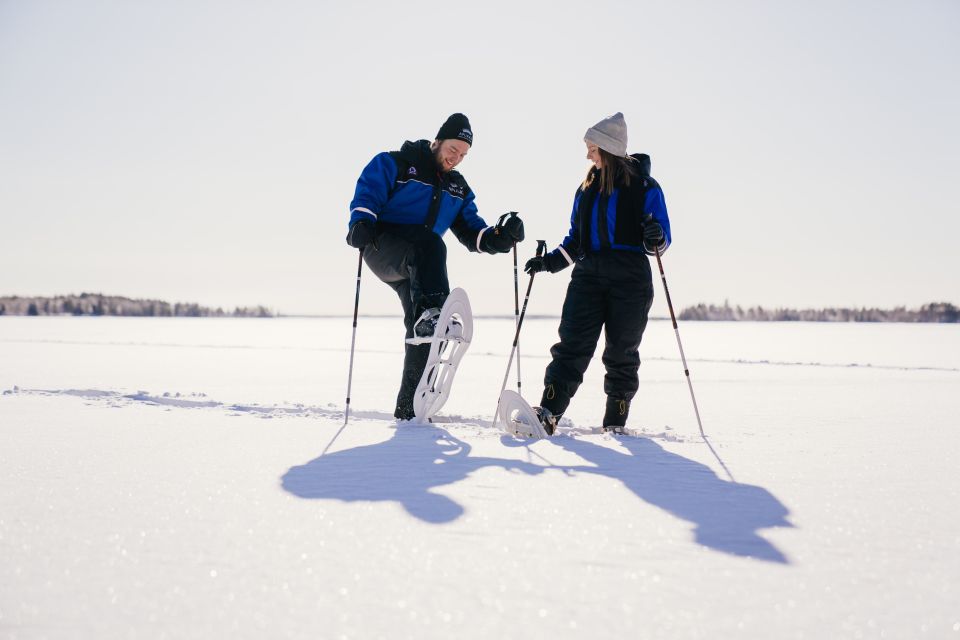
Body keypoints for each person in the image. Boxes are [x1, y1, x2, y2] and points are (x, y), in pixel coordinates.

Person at [346, 113, 525, 420]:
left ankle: (409, 411)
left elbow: (473, 233)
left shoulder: (456, 188)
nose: (456, 158)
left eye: (463, 155)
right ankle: (433, 313)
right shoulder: (398, 163)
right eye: (452, 149)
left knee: (425, 335)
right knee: (429, 244)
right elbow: (369, 191)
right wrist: (360, 220)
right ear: (438, 140)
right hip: (383, 247)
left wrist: (500, 237)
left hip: (419, 266)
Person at [524, 112, 671, 434]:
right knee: (572, 345)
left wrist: (655, 236)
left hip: (631, 277)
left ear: (607, 148)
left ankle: (615, 420)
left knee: (621, 350)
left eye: (592, 148)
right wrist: (549, 262)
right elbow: (576, 240)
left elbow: (661, 240)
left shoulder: (645, 187)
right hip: (588, 275)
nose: (588, 155)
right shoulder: (586, 188)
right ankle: (549, 412)